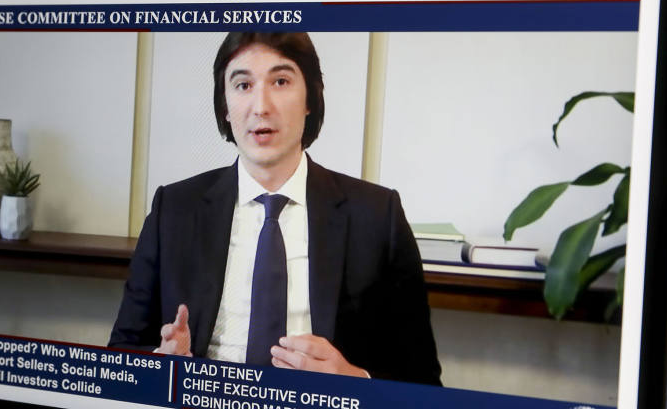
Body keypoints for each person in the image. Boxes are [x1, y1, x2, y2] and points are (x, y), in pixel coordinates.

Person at [109, 32, 442, 385]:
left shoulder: (376, 215)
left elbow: (423, 381)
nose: (261, 106)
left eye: (280, 81)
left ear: (310, 98)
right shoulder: (174, 210)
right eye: (243, 85)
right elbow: (122, 351)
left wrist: (356, 379)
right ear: (225, 105)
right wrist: (158, 365)